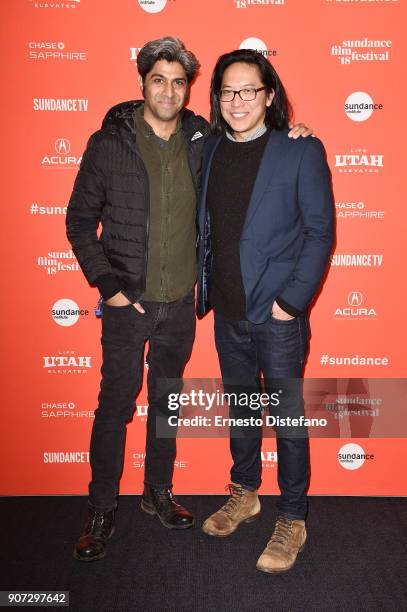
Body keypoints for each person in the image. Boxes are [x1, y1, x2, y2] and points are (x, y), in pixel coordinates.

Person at [66, 36, 312, 562]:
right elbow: (79, 223)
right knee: (115, 407)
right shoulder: (110, 143)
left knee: (169, 405)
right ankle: (102, 506)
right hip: (128, 304)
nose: (169, 91)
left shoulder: (204, 139)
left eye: (180, 82)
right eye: (159, 79)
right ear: (142, 83)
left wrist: (298, 132)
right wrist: (108, 288)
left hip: (184, 304)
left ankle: (160, 492)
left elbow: (298, 210)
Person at [197, 49, 334, 573]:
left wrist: (289, 304)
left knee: (288, 418)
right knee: (242, 409)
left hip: (277, 315)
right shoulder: (207, 149)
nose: (237, 101)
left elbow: (320, 233)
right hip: (227, 311)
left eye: (248, 91)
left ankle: (293, 518)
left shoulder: (299, 150)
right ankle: (246, 492)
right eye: (228, 92)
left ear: (269, 95)